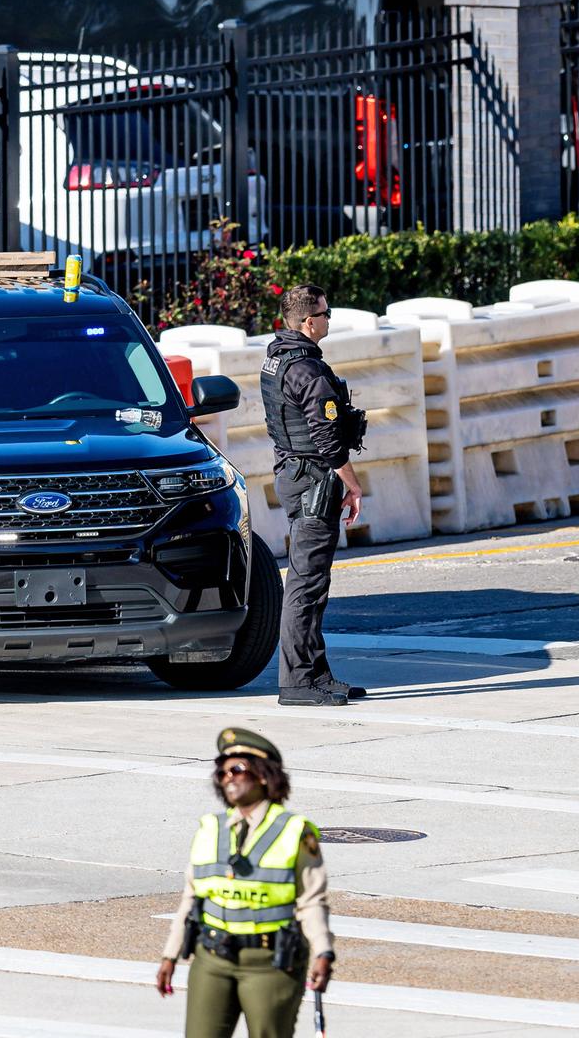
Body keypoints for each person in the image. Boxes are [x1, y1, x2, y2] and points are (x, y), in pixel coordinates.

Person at [156, 728, 336, 1038]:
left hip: (270, 964)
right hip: (212, 957)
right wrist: (170, 955)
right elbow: (191, 897)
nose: (228, 777)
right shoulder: (210, 828)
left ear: (264, 777)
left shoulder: (294, 831)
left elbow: (311, 900)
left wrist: (323, 952)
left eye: (238, 769)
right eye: (223, 771)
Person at [263, 285, 366, 707]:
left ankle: (317, 675)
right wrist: (353, 483)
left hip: (293, 472)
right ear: (310, 322)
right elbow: (327, 438)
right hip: (313, 480)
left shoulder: (276, 357)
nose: (329, 320)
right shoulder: (309, 372)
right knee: (306, 583)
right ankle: (298, 682)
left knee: (313, 582)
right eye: (327, 313)